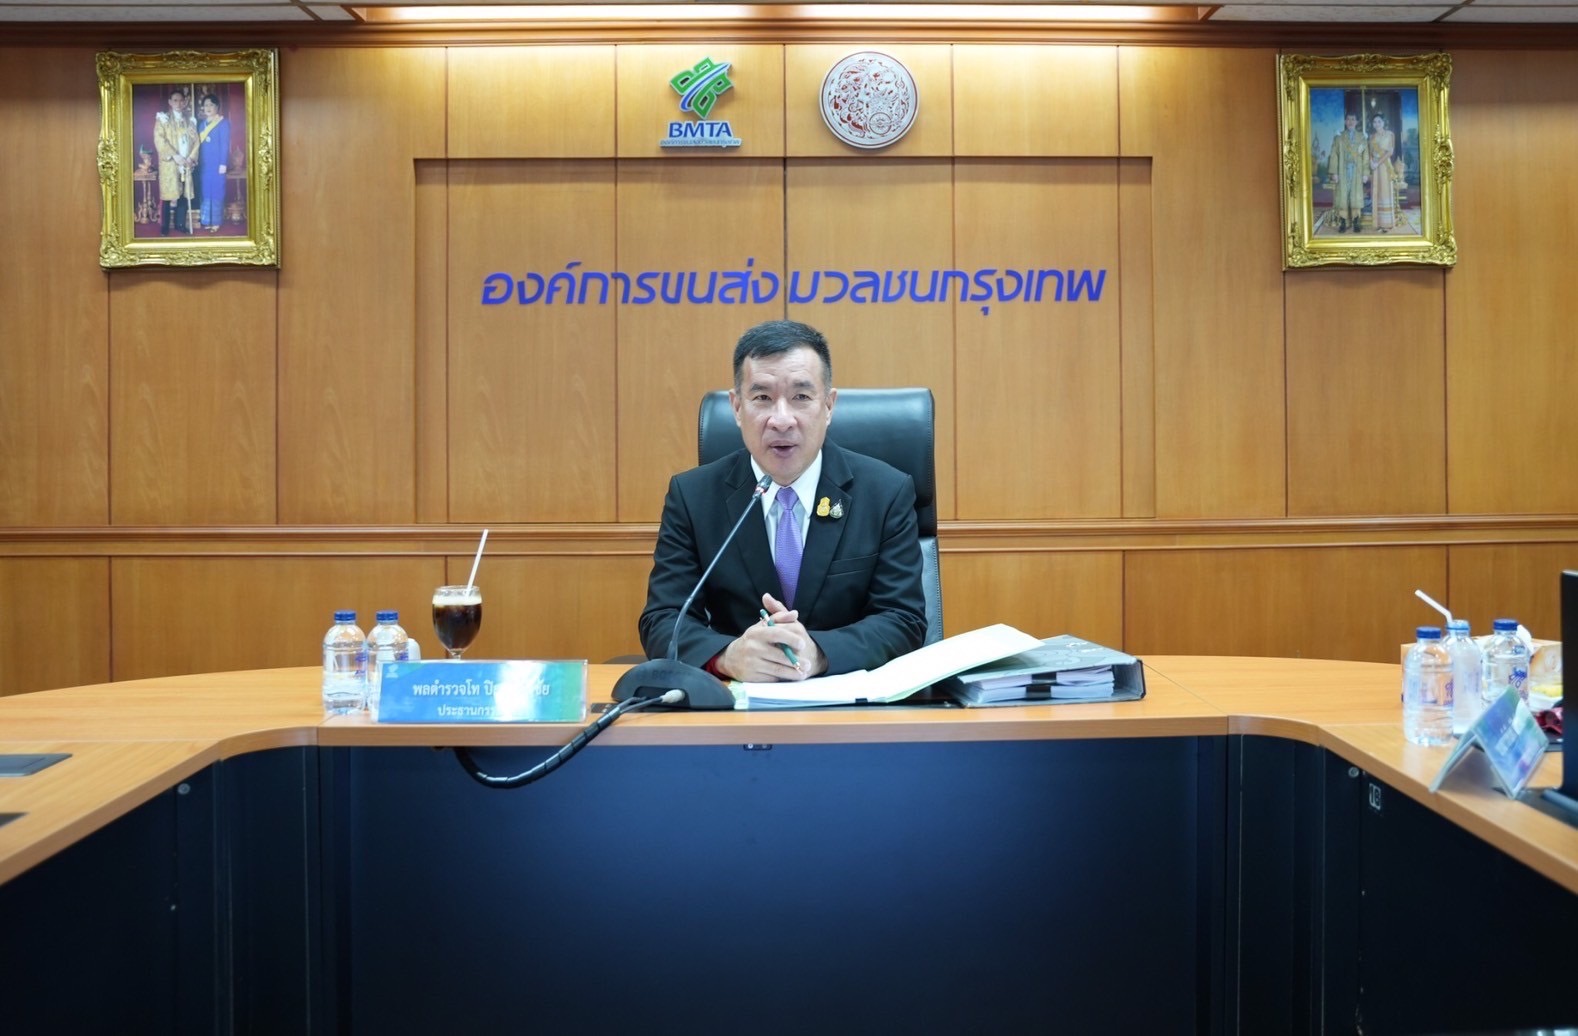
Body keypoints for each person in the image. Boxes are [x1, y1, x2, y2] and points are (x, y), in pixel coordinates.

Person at [638, 320, 928, 682]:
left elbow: (903, 620)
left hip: (847, 699)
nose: (781, 419)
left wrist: (819, 653)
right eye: (762, 398)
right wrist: (727, 657)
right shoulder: (693, 497)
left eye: (801, 397)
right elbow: (663, 619)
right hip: (736, 699)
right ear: (737, 407)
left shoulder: (884, 492)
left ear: (828, 406)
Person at [153, 87, 200, 235]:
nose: (178, 103)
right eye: (175, 100)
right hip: (171, 162)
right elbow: (160, 140)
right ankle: (164, 226)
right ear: (170, 102)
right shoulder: (163, 119)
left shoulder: (190, 120)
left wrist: (191, 157)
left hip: (186, 162)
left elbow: (196, 140)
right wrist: (174, 155)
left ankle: (180, 224)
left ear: (185, 102)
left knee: (183, 195)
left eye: (181, 100)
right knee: (168, 195)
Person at [1325, 111, 1366, 233]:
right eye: (1348, 119)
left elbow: (1366, 156)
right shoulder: (1339, 137)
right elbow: (1334, 155)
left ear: (1357, 122)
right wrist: (1334, 172)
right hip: (1342, 170)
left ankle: (1356, 221)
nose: (1350, 122)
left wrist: (1365, 173)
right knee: (1342, 195)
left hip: (1357, 171)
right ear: (1345, 121)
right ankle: (1343, 221)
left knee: (1356, 195)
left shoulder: (1362, 138)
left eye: (1353, 119)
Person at [195, 93, 230, 234]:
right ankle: (206, 220)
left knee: (216, 191)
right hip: (204, 164)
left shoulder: (223, 123)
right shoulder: (201, 125)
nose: (208, 108)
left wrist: (223, 163)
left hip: (217, 165)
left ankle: (216, 221)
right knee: (205, 191)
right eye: (206, 105)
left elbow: (225, 145)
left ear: (217, 107)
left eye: (211, 105)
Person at [1367, 112, 1397, 233]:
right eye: (1374, 122)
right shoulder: (1372, 137)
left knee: (1385, 192)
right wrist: (1371, 162)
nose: (1377, 124)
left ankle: (1387, 224)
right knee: (1377, 192)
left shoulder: (1390, 135)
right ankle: (1378, 223)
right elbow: (1369, 152)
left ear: (1384, 122)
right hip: (1375, 168)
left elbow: (1390, 152)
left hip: (1384, 166)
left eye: (1379, 121)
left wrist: (1377, 163)